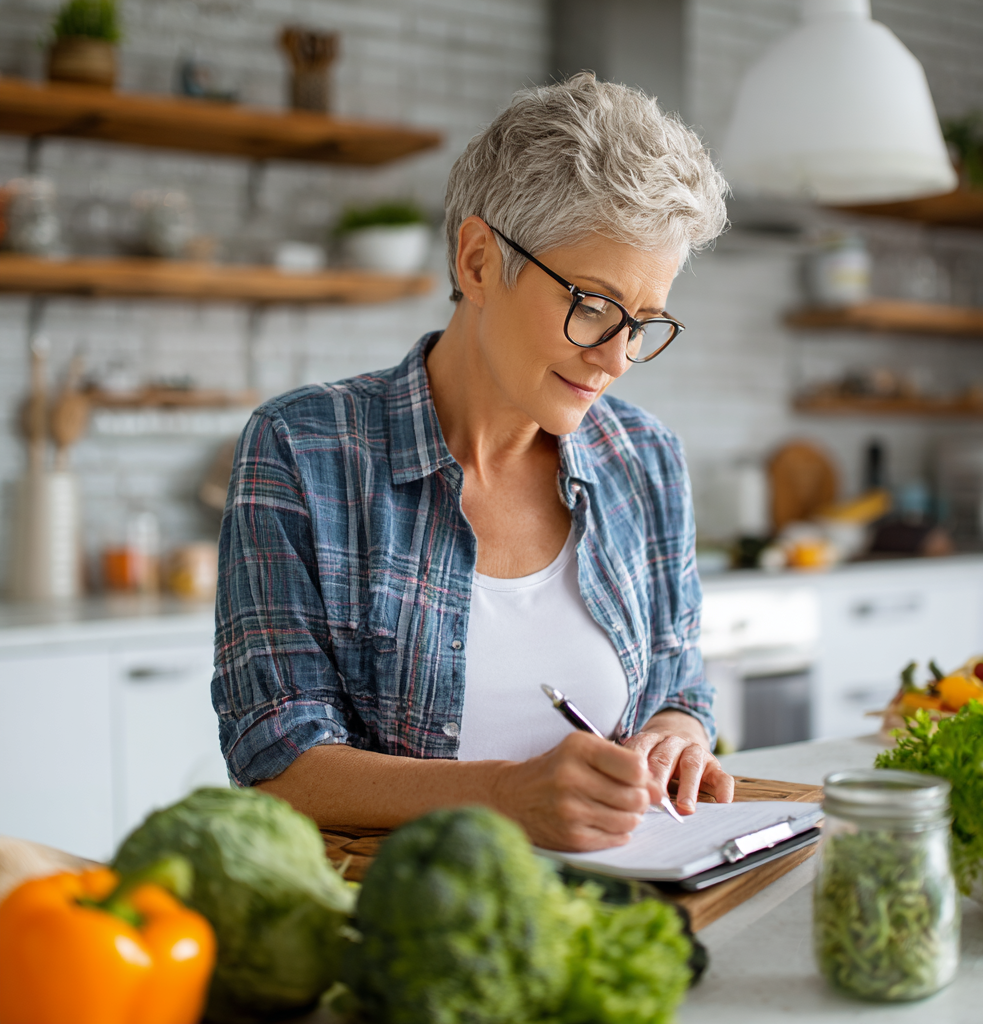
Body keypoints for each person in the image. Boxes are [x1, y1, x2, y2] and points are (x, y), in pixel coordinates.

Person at [213, 73, 734, 853]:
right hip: (401, 930)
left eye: (644, 322)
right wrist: (501, 796)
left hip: (621, 915)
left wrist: (675, 731)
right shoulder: (301, 448)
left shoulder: (646, 460)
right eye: (592, 304)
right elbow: (276, 761)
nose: (618, 358)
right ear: (479, 261)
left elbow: (680, 681)